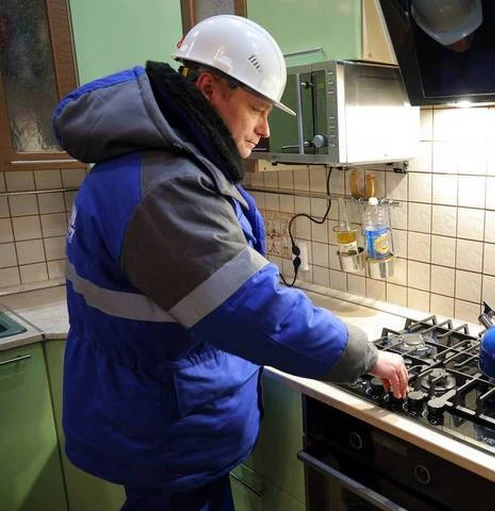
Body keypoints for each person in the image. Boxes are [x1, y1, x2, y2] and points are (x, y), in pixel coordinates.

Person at [52, 15, 408, 511]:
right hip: (168, 426)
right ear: (207, 89)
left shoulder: (147, 160)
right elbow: (251, 307)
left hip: (148, 413)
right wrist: (364, 354)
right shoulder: (167, 185)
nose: (264, 130)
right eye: (257, 109)